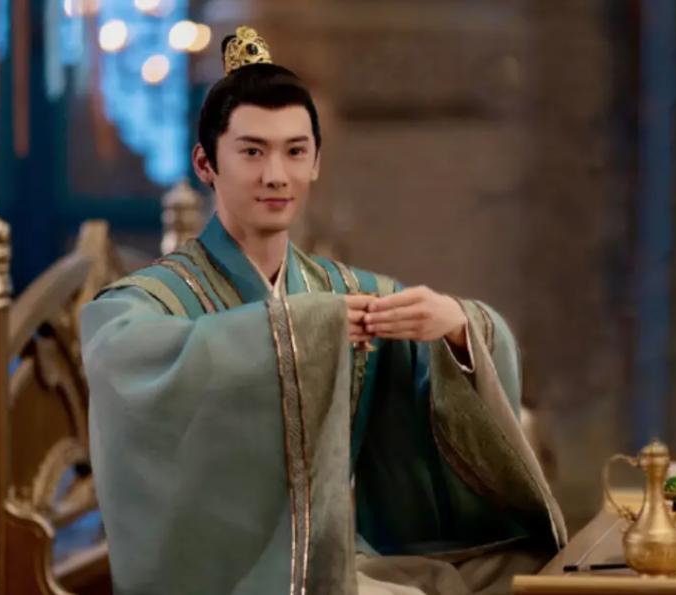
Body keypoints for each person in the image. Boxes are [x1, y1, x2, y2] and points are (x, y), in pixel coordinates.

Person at [80, 26, 566, 595]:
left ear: (315, 162)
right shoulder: (156, 299)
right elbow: (118, 350)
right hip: (229, 579)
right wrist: (300, 331)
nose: (276, 175)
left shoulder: (339, 292)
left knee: (522, 568)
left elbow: (432, 387)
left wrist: (457, 331)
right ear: (206, 163)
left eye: (295, 151)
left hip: (330, 562)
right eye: (252, 152)